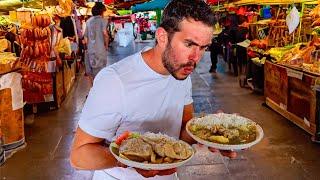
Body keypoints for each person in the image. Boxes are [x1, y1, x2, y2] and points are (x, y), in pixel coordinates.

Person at [70, 1, 236, 179]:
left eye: (203, 48)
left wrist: (207, 131)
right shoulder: (115, 81)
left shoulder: (181, 72)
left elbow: (182, 130)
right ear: (162, 36)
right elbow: (79, 156)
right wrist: (132, 160)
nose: (196, 58)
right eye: (189, 44)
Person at [83, 2, 109, 85]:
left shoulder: (88, 21)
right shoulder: (103, 20)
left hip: (90, 50)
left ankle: (93, 89)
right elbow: (105, 34)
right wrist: (106, 45)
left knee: (91, 71)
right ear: (101, 11)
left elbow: (85, 38)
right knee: (101, 72)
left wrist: (88, 47)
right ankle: (99, 90)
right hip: (100, 50)